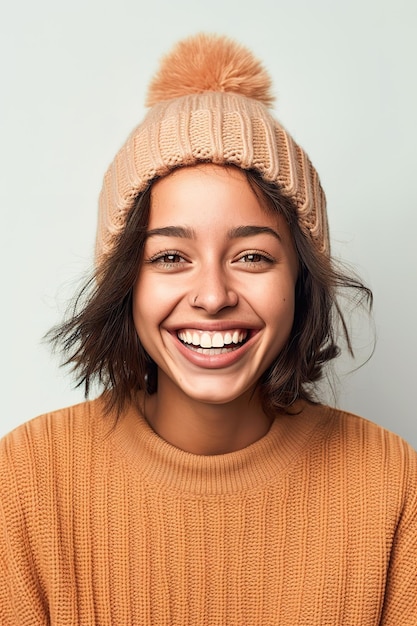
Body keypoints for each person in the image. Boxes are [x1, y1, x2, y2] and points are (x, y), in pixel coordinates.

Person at [1, 33, 416, 625]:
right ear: (126, 282)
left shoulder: (390, 482)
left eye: (252, 257)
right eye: (170, 257)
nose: (214, 296)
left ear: (301, 279)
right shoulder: (26, 480)